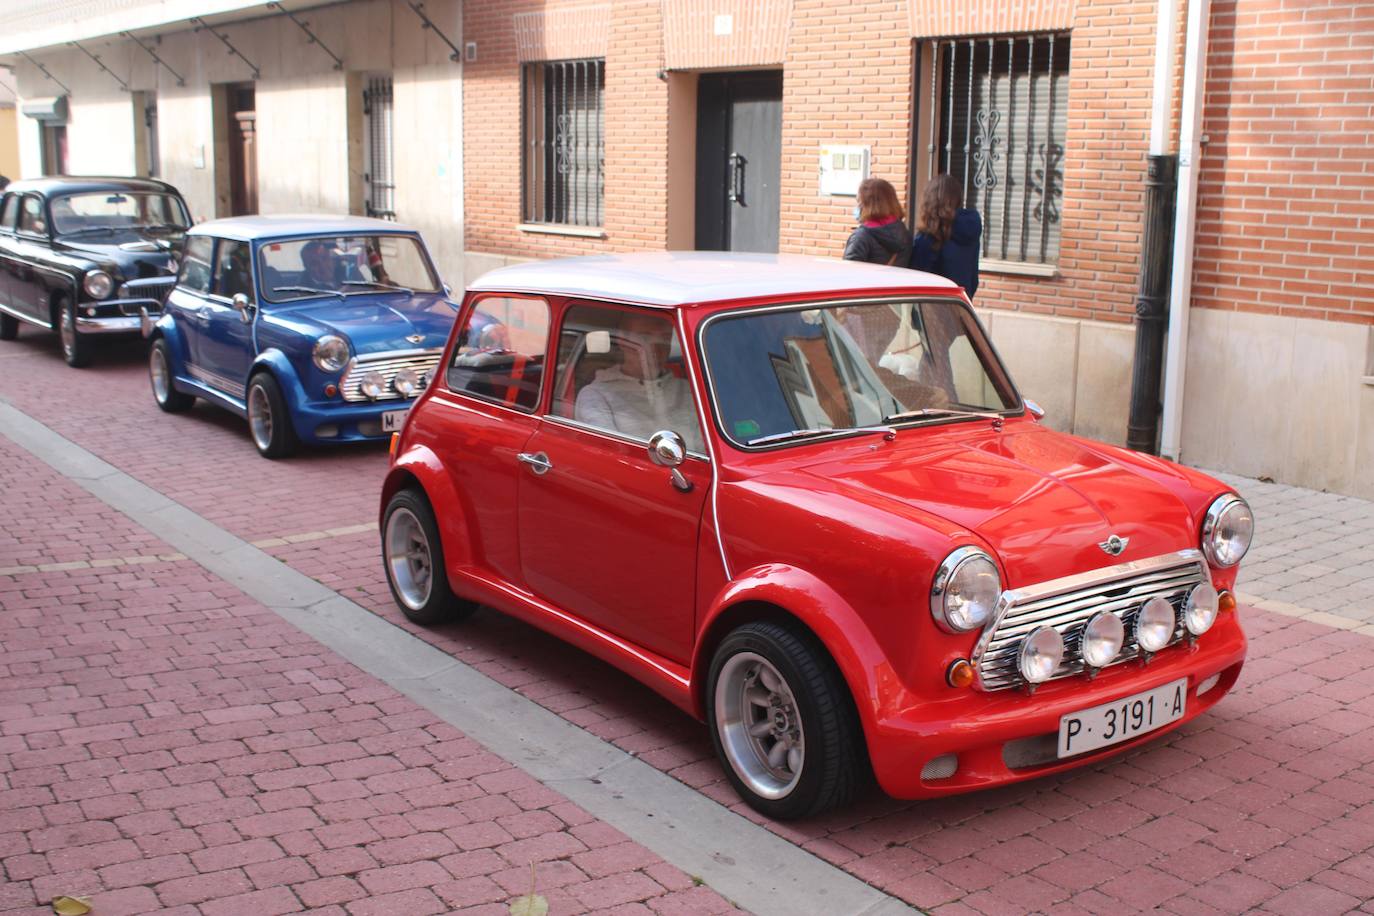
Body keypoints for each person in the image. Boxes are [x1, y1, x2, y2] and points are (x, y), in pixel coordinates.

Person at [575, 311, 704, 453]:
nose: (656, 349)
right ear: (622, 341)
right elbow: (609, 455)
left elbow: (706, 449)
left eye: (664, 338)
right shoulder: (596, 396)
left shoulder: (688, 390)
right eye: (644, 338)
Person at [910, 175, 981, 299]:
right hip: (962, 303)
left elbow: (917, 281)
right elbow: (973, 278)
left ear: (929, 200)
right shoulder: (971, 228)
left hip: (935, 307)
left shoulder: (927, 237)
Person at [842, 177, 912, 266]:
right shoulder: (904, 233)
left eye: (859, 201)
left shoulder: (861, 237)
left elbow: (849, 274)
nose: (858, 205)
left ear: (866, 205)